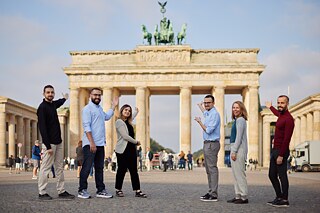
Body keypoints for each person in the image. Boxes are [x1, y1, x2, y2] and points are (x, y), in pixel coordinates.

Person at [78, 88, 118, 199]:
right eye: (95, 95)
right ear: (90, 95)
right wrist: (92, 143)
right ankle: (82, 190)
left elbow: (106, 117)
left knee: (99, 168)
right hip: (90, 143)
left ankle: (100, 190)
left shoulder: (99, 109)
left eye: (99, 95)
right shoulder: (87, 109)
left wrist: (113, 106)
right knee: (87, 167)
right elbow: (87, 127)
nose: (97, 97)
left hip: (100, 143)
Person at [37, 85, 75, 200]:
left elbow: (58, 103)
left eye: (52, 92)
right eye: (48, 92)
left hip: (58, 142)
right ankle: (42, 192)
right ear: (43, 94)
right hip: (50, 144)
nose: (50, 94)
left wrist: (64, 99)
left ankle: (61, 190)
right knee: (45, 168)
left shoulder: (53, 104)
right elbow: (42, 128)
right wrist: (47, 146)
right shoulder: (42, 108)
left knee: (59, 167)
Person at [266, 95, 294, 207]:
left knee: (282, 176)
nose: (280, 105)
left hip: (281, 151)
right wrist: (271, 107)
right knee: (272, 175)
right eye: (278, 102)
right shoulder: (281, 115)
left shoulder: (288, 119)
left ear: (287, 104)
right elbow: (277, 113)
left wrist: (281, 155)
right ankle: (279, 196)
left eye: (282, 103)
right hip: (275, 150)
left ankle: (285, 199)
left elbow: (287, 139)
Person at [115, 104, 147, 198]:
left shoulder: (128, 122)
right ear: (121, 111)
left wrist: (136, 112)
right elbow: (125, 136)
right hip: (122, 149)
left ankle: (138, 190)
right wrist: (136, 142)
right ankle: (118, 189)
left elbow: (130, 117)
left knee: (134, 171)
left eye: (129, 111)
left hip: (131, 149)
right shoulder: (119, 122)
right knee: (122, 170)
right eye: (125, 110)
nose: (127, 112)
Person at [195, 94, 221, 202]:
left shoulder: (214, 114)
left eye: (208, 103)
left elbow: (209, 130)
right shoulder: (209, 113)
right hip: (207, 143)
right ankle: (210, 191)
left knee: (212, 169)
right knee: (208, 170)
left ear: (213, 103)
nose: (206, 104)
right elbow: (205, 113)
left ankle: (213, 194)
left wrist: (199, 122)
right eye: (205, 102)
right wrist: (200, 106)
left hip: (212, 143)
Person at [227, 101, 249, 204]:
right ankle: (238, 195)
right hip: (235, 147)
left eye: (237, 108)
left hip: (238, 148)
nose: (235, 109)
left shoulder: (240, 120)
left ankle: (244, 196)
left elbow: (239, 137)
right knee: (235, 174)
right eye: (233, 107)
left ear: (241, 109)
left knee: (239, 173)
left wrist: (234, 151)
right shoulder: (237, 120)